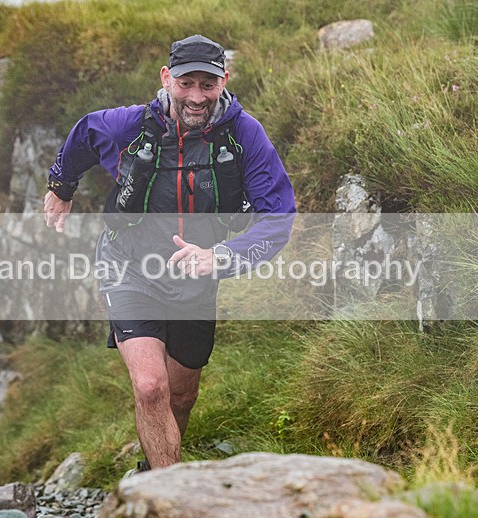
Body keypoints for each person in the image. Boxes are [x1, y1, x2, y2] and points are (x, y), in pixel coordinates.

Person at [43, 34, 295, 472]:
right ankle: (166, 500)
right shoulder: (130, 125)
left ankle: (151, 470)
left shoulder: (243, 135)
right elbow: (84, 133)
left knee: (181, 394)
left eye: (208, 84)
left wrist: (221, 257)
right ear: (166, 78)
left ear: (224, 81)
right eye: (186, 83)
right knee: (150, 387)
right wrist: (61, 186)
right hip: (128, 268)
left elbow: (279, 217)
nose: (196, 96)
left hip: (196, 278)